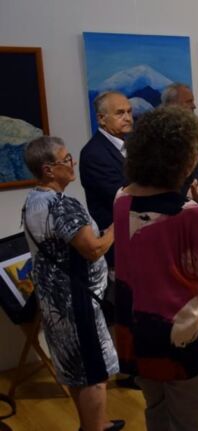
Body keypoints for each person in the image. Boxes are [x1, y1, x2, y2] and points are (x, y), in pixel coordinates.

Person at [113, 107, 198, 430]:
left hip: (136, 331)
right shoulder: (188, 213)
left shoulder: (121, 199)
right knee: (190, 422)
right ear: (180, 159)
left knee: (157, 410)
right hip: (181, 335)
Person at [22, 136, 124, 431]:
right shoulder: (62, 205)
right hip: (77, 302)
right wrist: (114, 229)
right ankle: (95, 428)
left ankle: (93, 423)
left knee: (76, 367)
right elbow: (92, 249)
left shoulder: (33, 201)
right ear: (48, 169)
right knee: (94, 372)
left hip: (54, 301)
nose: (73, 162)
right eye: (66, 159)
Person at [79, 91, 132, 268]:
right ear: (101, 119)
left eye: (129, 111)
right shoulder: (94, 154)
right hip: (119, 248)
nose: (128, 118)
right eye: (120, 113)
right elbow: (122, 196)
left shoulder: (132, 145)